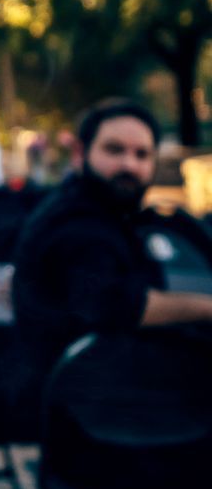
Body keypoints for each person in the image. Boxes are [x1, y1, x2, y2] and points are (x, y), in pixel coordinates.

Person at [11, 98, 212, 384]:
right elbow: (114, 304)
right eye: (114, 149)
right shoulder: (75, 222)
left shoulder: (109, 211)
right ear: (80, 154)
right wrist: (206, 308)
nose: (129, 164)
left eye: (142, 154)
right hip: (89, 403)